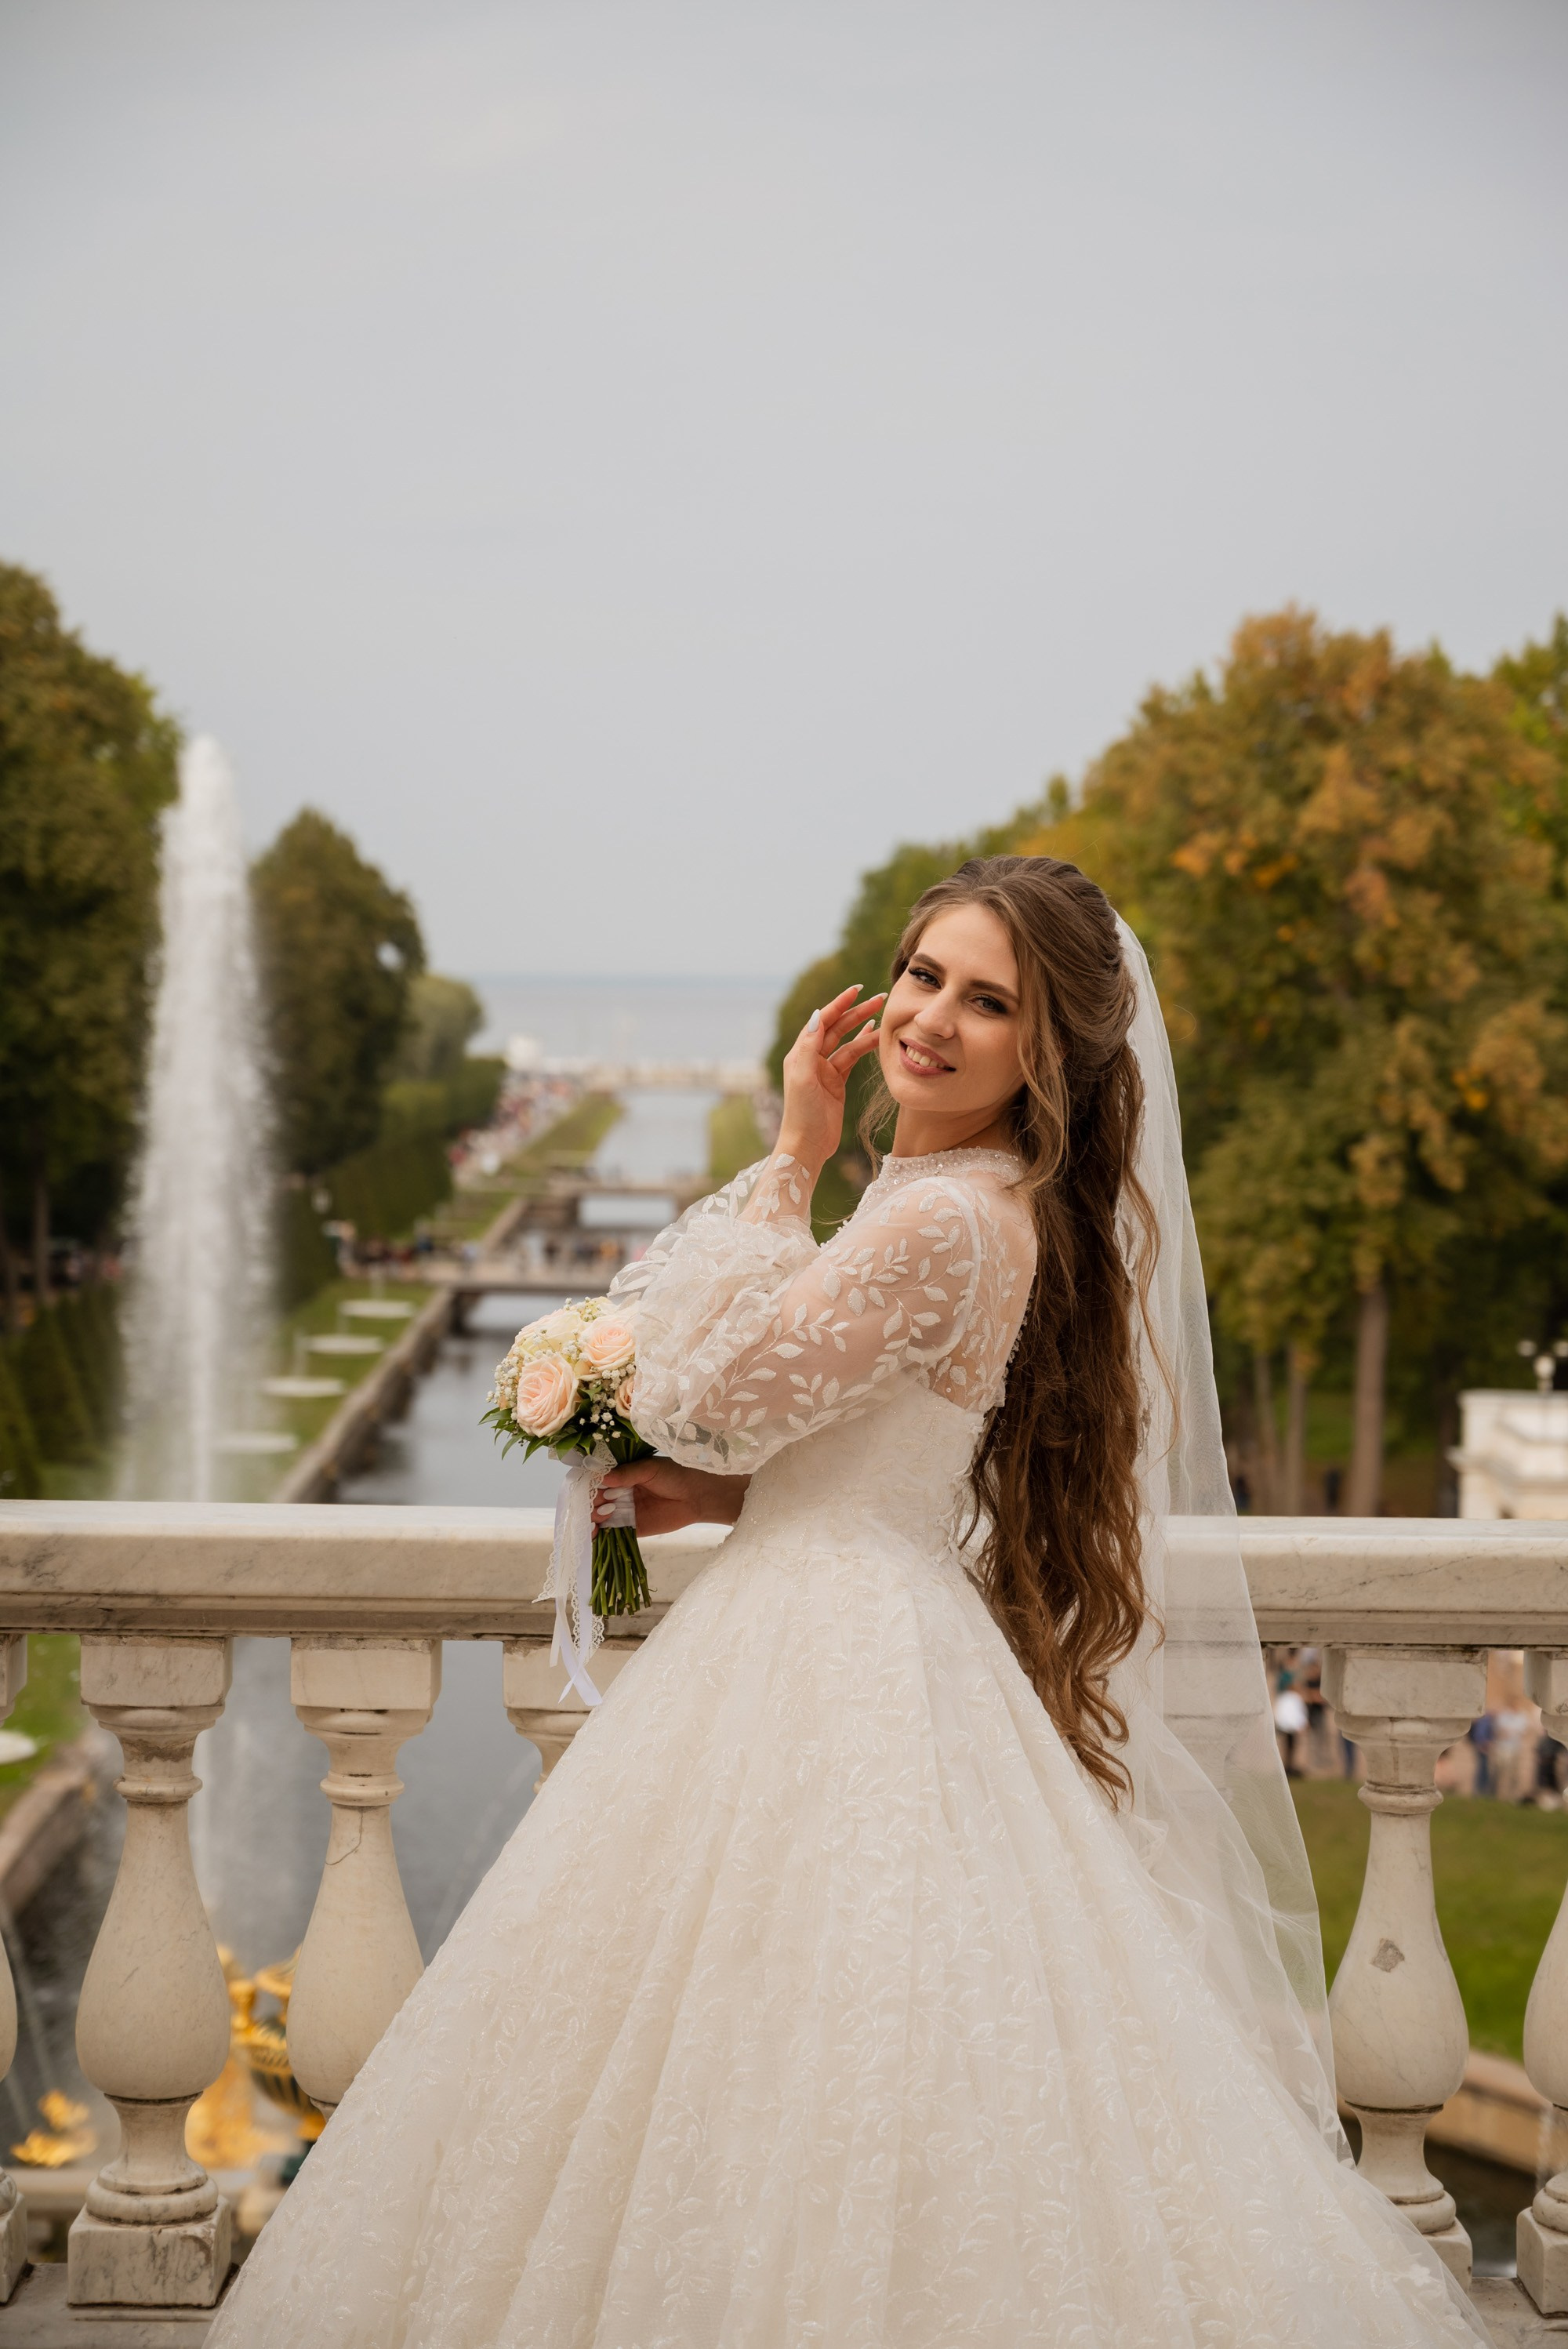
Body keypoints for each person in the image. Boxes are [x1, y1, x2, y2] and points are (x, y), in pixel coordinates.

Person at [211, 857, 1481, 2347]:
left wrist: (791, 1158)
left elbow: (705, 1388)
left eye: (988, 1001)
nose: (933, 1020)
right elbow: (877, 1450)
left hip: (823, 1648)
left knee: (771, 2042)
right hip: (861, 1601)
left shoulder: (930, 1217)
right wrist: (731, 1496)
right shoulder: (972, 1198)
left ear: (1046, 1052)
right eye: (925, 974)